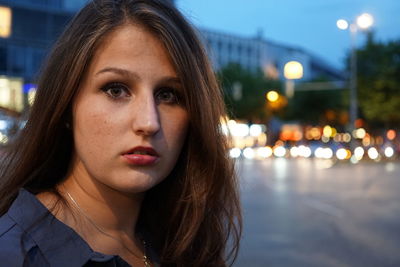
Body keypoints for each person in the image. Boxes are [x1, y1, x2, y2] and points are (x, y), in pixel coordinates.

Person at [0, 0, 242, 266]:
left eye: (168, 95)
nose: (148, 122)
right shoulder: (14, 254)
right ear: (66, 105)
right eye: (116, 90)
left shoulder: (183, 241)